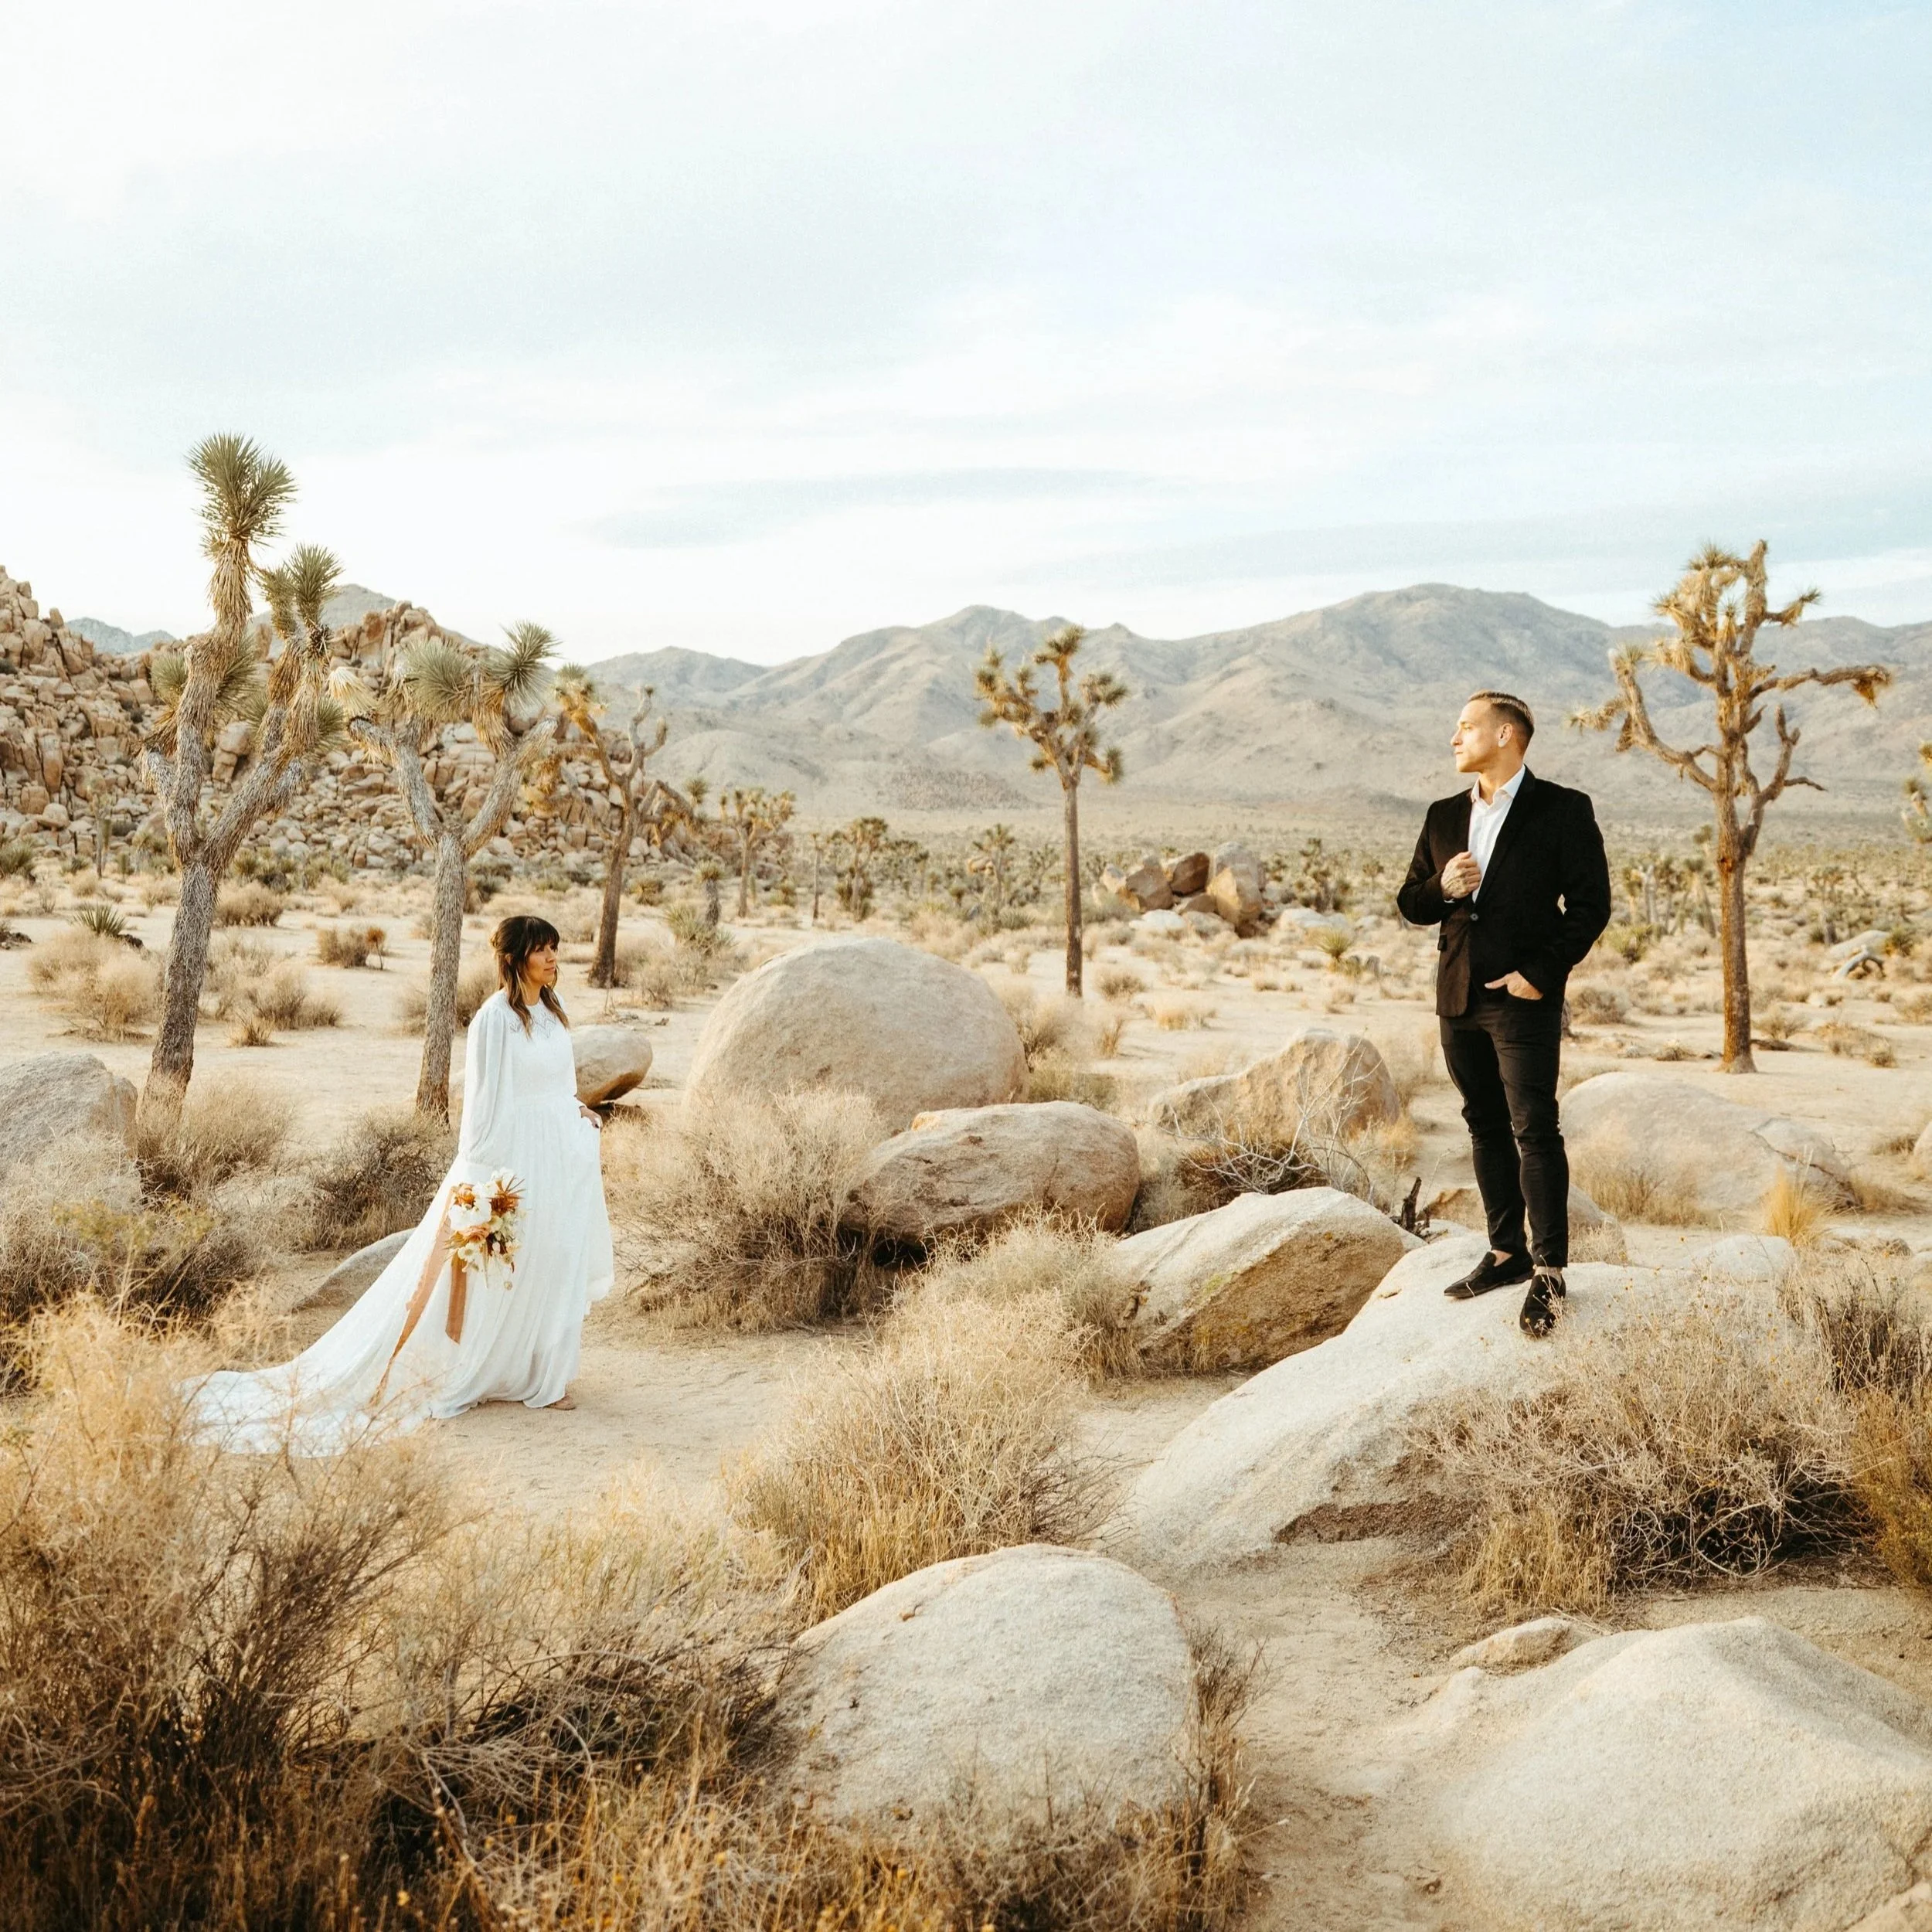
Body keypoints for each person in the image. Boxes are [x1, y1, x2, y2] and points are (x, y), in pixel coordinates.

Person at [191, 913, 614, 1451]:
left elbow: (561, 1086)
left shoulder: (555, 1012)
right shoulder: (494, 1019)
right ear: (514, 958)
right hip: (511, 1159)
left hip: (558, 1156)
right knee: (494, 1269)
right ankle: (480, 1370)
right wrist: (478, 1177)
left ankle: (538, 1373)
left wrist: (580, 1115)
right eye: (542, 950)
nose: (553, 959)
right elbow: (483, 1106)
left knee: (550, 1262)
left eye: (555, 948)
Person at [1396, 691, 1611, 1337]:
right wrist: (1445, 888)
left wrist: (1540, 976)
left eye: (1467, 727)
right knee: (1484, 1127)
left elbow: (1592, 905)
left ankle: (1550, 1272)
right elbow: (1411, 901)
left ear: (1508, 734)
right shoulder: (1441, 817)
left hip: (1521, 1000)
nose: (1455, 739)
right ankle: (1504, 1252)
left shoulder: (1564, 810)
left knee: (1534, 1131)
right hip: (1457, 999)